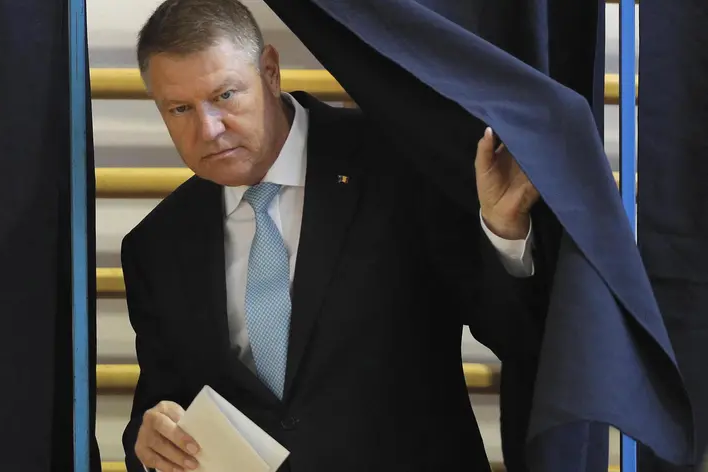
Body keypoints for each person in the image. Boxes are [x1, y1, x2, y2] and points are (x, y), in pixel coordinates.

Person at [120, 0, 544, 470]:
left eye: (224, 96)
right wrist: (150, 441)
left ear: (270, 71)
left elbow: (517, 334)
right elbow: (162, 408)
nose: (208, 129)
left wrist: (504, 232)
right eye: (180, 109)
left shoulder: (399, 161)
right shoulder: (156, 245)